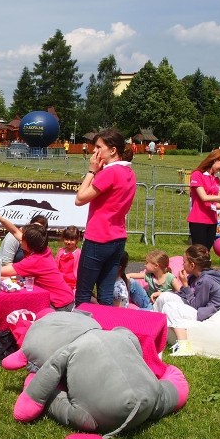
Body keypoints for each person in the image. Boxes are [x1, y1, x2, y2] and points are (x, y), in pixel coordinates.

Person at [74, 128, 136, 306]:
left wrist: (92, 171)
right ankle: (105, 329)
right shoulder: (129, 173)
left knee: (83, 293)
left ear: (113, 150)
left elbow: (80, 199)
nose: (94, 152)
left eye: (98, 147)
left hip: (98, 238)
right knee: (106, 292)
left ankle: (80, 329)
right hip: (117, 238)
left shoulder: (109, 172)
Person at [154, 245, 220, 357]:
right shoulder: (195, 276)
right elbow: (185, 295)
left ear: (192, 265)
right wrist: (163, 293)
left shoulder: (205, 281)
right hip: (196, 306)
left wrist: (185, 284)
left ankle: (184, 346)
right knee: (165, 297)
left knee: (169, 307)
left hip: (203, 312)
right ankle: (152, 331)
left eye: (184, 262)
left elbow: (197, 305)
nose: (182, 265)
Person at [0, 216, 74, 311]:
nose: (20, 240)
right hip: (66, 297)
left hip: (61, 305)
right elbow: (15, 231)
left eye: (23, 239)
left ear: (29, 243)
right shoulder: (44, 249)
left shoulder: (33, 261)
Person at [187, 148, 220, 251]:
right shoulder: (197, 174)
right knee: (199, 252)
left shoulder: (216, 178)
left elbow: (217, 199)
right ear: (215, 160)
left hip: (212, 220)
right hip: (198, 220)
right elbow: (204, 198)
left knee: (207, 251)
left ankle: (205, 267)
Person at [55, 225, 81, 292]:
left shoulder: (78, 253)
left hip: (73, 282)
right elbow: (56, 266)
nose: (69, 242)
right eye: (67, 239)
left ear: (77, 240)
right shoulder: (61, 251)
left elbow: (80, 270)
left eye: (72, 240)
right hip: (61, 280)